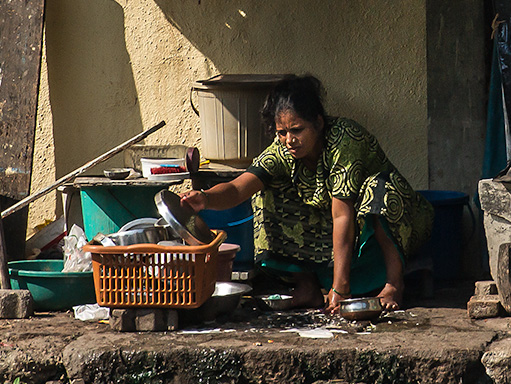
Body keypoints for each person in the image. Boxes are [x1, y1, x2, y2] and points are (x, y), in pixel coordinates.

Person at [181, 74, 433, 313]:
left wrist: (340, 289)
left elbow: (343, 215)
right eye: (282, 133)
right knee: (265, 191)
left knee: (378, 190)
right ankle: (307, 286)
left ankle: (393, 285)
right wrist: (206, 198)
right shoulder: (282, 152)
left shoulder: (345, 139)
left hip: (393, 226)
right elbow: (238, 188)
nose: (289, 140)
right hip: (339, 235)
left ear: (318, 123)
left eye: (297, 130)